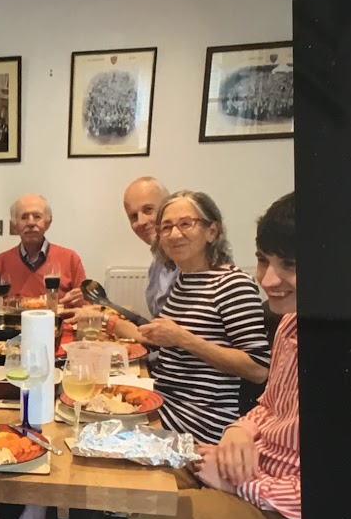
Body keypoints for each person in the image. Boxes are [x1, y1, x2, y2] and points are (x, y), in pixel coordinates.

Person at [101, 193, 300, 519]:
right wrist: (239, 431)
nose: (269, 279)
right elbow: (269, 401)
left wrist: (238, 481)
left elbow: (253, 370)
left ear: (212, 230)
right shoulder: (291, 326)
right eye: (265, 261)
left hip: (275, 506)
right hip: (229, 456)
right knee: (108, 487)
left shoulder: (233, 287)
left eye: (290, 266)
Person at [109, 190, 270, 444]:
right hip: (165, 405)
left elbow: (258, 369)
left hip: (197, 425)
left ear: (212, 231)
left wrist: (183, 338)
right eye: (166, 227)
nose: (174, 234)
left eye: (185, 224)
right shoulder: (184, 279)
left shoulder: (232, 284)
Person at [0, 193, 86, 308]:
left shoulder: (70, 259)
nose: (31, 223)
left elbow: (86, 307)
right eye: (24, 217)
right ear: (15, 225)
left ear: (48, 223)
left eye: (37, 216)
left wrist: (81, 301)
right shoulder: (0, 262)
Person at [122, 175, 176, 318]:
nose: (141, 221)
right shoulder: (156, 264)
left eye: (148, 210)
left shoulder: (193, 263)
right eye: (133, 216)